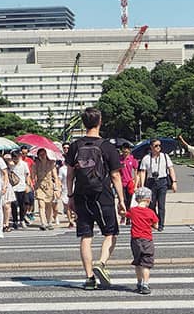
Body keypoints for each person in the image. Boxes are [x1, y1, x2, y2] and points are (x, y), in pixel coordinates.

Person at [66, 107, 126, 290]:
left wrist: (70, 196)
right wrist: (121, 200)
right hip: (102, 194)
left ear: (83, 123)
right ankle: (101, 262)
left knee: (85, 236)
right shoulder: (107, 146)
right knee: (110, 232)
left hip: (81, 193)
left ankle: (89, 277)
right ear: (100, 122)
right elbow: (116, 176)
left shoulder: (75, 146)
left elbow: (70, 174)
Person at [136, 139, 177, 232]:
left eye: (159, 145)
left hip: (162, 181)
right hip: (151, 182)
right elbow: (143, 172)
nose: (158, 147)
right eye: (156, 146)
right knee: (151, 204)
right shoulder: (146, 158)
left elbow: (171, 169)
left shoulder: (165, 156)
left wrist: (174, 182)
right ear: (151, 147)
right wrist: (142, 185)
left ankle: (161, 224)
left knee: (161, 204)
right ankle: (155, 220)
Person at [127, 186, 160, 295]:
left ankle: (139, 283)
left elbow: (126, 215)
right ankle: (145, 285)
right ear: (148, 199)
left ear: (137, 199)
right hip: (146, 239)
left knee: (137, 262)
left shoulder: (132, 211)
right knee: (146, 263)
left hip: (135, 240)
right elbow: (156, 225)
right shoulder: (150, 212)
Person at [33, 147, 60, 230]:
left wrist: (57, 188)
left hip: (49, 186)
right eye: (40, 154)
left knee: (49, 205)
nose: (42, 156)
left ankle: (49, 222)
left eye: (43, 154)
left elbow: (55, 177)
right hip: (39, 186)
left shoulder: (51, 163)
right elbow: (33, 176)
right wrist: (33, 183)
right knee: (41, 205)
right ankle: (43, 223)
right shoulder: (35, 164)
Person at [9, 149, 31, 230]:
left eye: (17, 157)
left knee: (23, 205)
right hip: (13, 187)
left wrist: (27, 185)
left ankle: (22, 219)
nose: (15, 159)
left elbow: (27, 174)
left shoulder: (24, 164)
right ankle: (15, 221)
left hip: (22, 186)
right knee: (14, 204)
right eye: (14, 157)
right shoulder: (10, 165)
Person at [119, 142, 139, 213]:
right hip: (121, 183)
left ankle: (128, 215)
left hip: (130, 183)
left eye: (127, 152)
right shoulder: (119, 159)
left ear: (129, 151)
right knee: (123, 199)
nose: (125, 153)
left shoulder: (133, 159)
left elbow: (136, 173)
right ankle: (123, 213)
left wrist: (136, 184)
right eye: (124, 152)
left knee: (129, 200)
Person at [19, 146, 37, 224]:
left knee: (31, 200)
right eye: (23, 153)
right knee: (24, 202)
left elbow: (33, 171)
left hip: (30, 183)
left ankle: (29, 213)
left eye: (26, 153)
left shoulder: (30, 161)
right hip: (21, 183)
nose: (24, 155)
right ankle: (23, 216)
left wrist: (33, 181)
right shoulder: (18, 161)